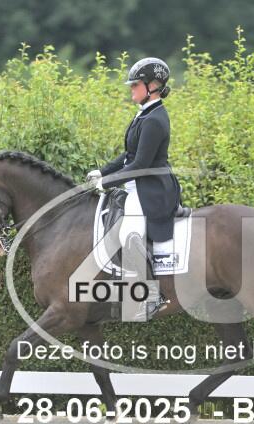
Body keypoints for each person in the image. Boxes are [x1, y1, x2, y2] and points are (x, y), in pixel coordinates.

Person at [86, 57, 182, 320]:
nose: (131, 89)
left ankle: (150, 297)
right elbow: (129, 155)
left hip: (152, 188)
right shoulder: (145, 114)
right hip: (138, 183)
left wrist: (106, 183)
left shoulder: (155, 120)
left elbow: (140, 164)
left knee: (130, 231)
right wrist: (103, 172)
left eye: (136, 84)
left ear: (153, 86)